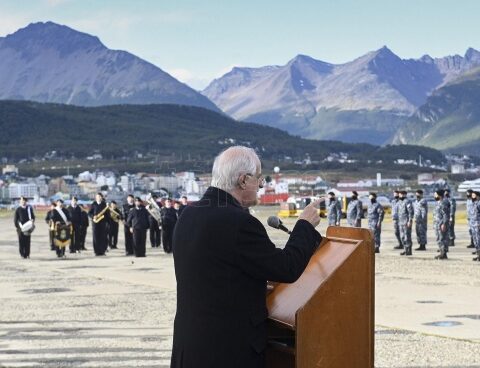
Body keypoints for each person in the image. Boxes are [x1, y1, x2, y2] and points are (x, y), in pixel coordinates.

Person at [170, 146, 322, 368]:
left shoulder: (189, 215)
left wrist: (254, 282)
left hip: (192, 346)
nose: (261, 186)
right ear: (243, 180)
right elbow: (286, 267)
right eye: (259, 179)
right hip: (227, 351)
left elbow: (217, 271)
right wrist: (304, 226)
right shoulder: (239, 222)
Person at [433, 189, 450, 260]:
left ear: (439, 195)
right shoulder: (438, 202)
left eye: (435, 194)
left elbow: (445, 214)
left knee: (442, 238)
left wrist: (444, 223)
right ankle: (442, 252)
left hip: (441, 223)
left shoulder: (443, 203)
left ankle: (443, 253)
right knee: (439, 238)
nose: (434, 196)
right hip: (437, 223)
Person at [398, 190, 414, 256]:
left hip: (406, 222)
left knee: (407, 237)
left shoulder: (407, 201)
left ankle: (409, 250)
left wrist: (409, 221)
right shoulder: (400, 202)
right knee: (402, 237)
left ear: (404, 195)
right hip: (401, 222)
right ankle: (405, 249)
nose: (399, 196)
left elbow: (411, 212)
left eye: (400, 194)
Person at [471, 191, 480, 261]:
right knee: (475, 240)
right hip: (473, 224)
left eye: (473, 195)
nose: (472, 196)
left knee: (478, 239)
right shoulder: (473, 204)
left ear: (477, 196)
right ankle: (478, 255)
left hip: (478, 224)